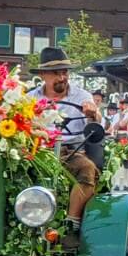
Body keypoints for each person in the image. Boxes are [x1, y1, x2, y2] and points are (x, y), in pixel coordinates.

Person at [29, 47, 100, 245]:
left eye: (64, 72)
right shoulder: (30, 98)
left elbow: (96, 124)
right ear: (43, 75)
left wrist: (92, 114)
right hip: (39, 151)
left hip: (72, 150)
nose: (62, 77)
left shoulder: (81, 95)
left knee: (86, 168)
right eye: (56, 73)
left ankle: (72, 223)